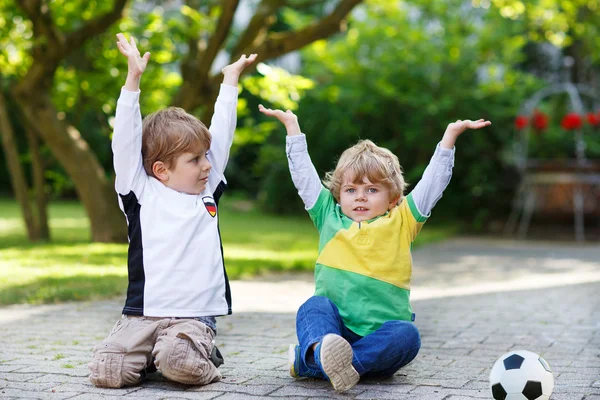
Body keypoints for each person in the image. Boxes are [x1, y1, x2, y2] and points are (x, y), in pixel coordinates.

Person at [258, 104, 491, 392]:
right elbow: (304, 177)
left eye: (372, 190)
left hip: (379, 338)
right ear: (339, 194)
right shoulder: (328, 215)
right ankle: (328, 356)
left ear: (393, 197)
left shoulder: (403, 219)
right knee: (313, 307)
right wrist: (293, 129)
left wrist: (449, 138)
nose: (360, 197)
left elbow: (433, 183)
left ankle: (325, 364)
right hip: (335, 333)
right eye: (351, 190)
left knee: (408, 336)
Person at [88, 32, 256, 388]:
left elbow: (222, 134)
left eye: (206, 157)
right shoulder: (140, 192)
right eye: (195, 160)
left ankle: (196, 354)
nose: (207, 165)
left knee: (179, 364)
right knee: (107, 372)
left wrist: (230, 81)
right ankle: (154, 353)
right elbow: (126, 143)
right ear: (161, 169)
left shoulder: (206, 190)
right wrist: (132, 79)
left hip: (193, 316)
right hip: (142, 314)